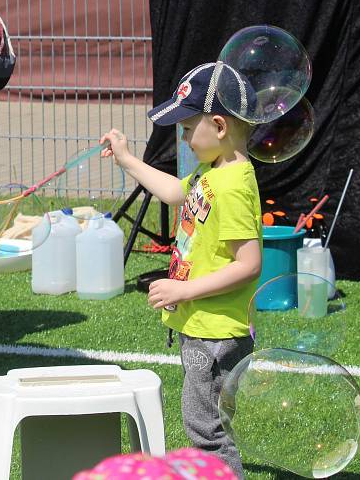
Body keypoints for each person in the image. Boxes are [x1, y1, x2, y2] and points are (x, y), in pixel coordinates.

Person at [101, 62, 262, 478]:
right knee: (204, 420)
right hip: (204, 327)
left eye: (188, 128)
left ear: (220, 126)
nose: (185, 138)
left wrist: (183, 291)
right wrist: (127, 160)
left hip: (217, 334)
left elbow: (249, 265)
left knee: (206, 428)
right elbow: (175, 191)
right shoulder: (213, 171)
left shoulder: (232, 187)